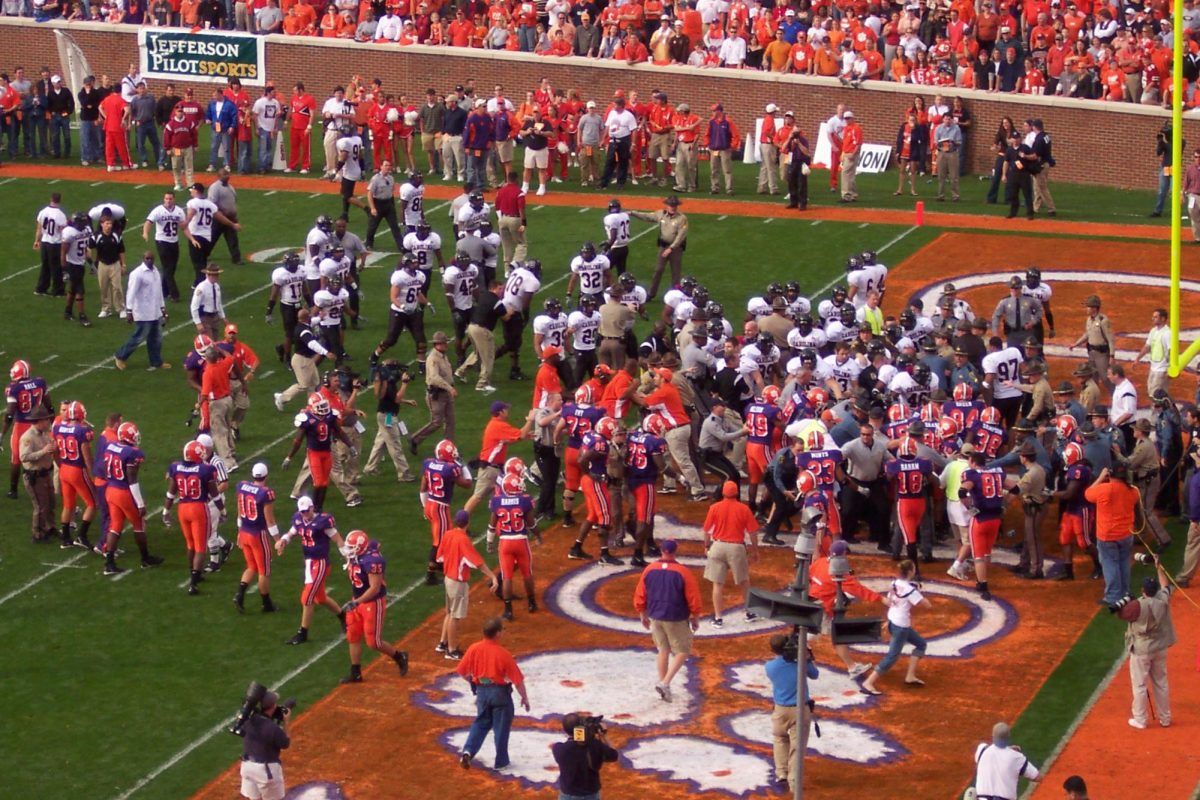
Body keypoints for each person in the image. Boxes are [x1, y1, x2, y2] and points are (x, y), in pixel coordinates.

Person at [456, 616, 531, 772]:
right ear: (497, 634)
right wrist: (524, 697)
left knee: (481, 722)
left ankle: (468, 751)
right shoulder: (503, 654)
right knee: (501, 728)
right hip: (500, 693)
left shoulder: (473, 648)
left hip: (482, 692)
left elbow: (462, 671)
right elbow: (517, 681)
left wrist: (473, 683)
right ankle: (501, 761)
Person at [633, 538, 701, 702]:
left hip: (655, 615)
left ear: (662, 550)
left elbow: (640, 593)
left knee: (663, 650)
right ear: (675, 551)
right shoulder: (682, 571)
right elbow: (693, 596)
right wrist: (695, 616)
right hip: (675, 616)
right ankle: (665, 683)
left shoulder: (649, 569)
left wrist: (642, 613)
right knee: (683, 651)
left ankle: (665, 686)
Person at [339, 530, 410, 683]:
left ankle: (399, 656)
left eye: (352, 547)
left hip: (372, 602)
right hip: (357, 600)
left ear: (361, 548)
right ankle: (355, 673)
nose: (349, 550)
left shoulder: (372, 561)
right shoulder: (358, 554)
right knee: (353, 636)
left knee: (374, 642)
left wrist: (357, 602)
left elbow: (374, 588)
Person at [1114, 553, 1175, 729]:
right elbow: (1166, 585)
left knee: (1140, 685)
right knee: (1161, 683)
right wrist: (1158, 566)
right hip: (1160, 647)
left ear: (1143, 591)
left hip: (1142, 649)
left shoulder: (1137, 606)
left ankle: (1140, 719)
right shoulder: (1163, 599)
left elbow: (1120, 613)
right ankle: (1165, 718)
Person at [860, 559, 930, 695]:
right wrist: (919, 592)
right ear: (910, 571)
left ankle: (910, 676)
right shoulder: (911, 590)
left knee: (921, 644)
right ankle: (869, 682)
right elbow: (927, 605)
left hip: (893, 621)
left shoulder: (895, 583)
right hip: (901, 626)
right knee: (892, 656)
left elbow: (891, 600)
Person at [437, 510, 500, 661]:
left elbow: (439, 557)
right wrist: (493, 576)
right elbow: (477, 562)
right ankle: (451, 651)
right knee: (454, 616)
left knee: (449, 612)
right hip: (457, 582)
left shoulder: (448, 534)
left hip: (448, 579)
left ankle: (442, 644)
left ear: (455, 521)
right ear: (468, 522)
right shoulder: (463, 540)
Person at [764, 633, 819, 795]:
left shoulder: (770, 667)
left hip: (780, 710)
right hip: (800, 710)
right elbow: (815, 674)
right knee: (797, 748)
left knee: (780, 739)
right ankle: (794, 782)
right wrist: (807, 656)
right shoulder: (800, 664)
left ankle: (781, 773)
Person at [702, 480, 760, 627]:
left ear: (723, 493)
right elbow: (753, 532)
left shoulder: (714, 507)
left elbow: (707, 530)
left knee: (718, 584)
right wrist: (755, 550)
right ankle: (749, 612)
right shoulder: (744, 509)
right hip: (736, 548)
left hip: (718, 546)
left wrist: (706, 546)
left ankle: (718, 618)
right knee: (744, 582)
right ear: (737, 493)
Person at [1085, 463, 1142, 605]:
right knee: (1124, 562)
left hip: (1107, 536)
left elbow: (1088, 494)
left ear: (1111, 475)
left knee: (1110, 564)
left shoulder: (1104, 489)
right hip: (1126, 534)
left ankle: (1113, 596)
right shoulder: (1133, 491)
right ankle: (1125, 592)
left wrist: (1100, 478)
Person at [114, 253, 170, 371]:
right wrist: (129, 310)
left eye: (151, 258)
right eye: (147, 258)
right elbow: (131, 292)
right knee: (139, 337)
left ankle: (156, 361)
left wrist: (163, 308)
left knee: (156, 338)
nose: (149, 260)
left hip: (155, 311)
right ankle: (120, 356)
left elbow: (159, 292)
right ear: (143, 259)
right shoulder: (137, 274)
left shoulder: (155, 272)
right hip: (143, 312)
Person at [551, 713, 620, 800]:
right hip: (591, 795)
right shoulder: (595, 745)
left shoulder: (559, 749)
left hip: (568, 796)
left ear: (565, 730)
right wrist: (604, 735)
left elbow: (572, 746)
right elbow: (614, 755)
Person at [631, 196, 688, 301]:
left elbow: (681, 236)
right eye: (671, 205)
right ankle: (651, 293)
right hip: (663, 246)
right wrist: (633, 213)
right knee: (658, 270)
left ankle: (676, 296)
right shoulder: (660, 214)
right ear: (667, 205)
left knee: (676, 272)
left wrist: (671, 248)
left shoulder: (682, 218)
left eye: (674, 205)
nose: (673, 207)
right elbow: (647, 216)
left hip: (676, 248)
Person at [238, 688, 291, 800]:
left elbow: (261, 723)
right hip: (265, 771)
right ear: (273, 706)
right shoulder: (272, 728)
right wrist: (286, 721)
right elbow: (285, 744)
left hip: (247, 767)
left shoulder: (249, 719)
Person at [18, 407, 57, 542]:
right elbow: (24, 457)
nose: (48, 421)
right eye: (46, 419)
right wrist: (43, 451)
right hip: (35, 476)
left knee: (51, 501)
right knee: (41, 506)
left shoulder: (44, 433)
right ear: (39, 421)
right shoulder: (28, 437)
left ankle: (50, 527)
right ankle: (38, 533)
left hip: (45, 473)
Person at [972, 722, 1040, 798]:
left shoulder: (982, 750)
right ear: (1008, 737)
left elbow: (994, 751)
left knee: (972, 791)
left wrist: (1009, 749)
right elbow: (1036, 776)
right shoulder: (1016, 757)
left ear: (993, 736)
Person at [782, 122, 811, 210]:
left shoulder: (803, 140)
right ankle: (793, 202)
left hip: (802, 162)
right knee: (791, 182)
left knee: (802, 183)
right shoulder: (790, 140)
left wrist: (798, 143)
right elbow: (783, 149)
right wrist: (788, 139)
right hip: (793, 162)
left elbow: (806, 152)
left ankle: (802, 203)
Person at [837, 109, 862, 203]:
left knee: (845, 173)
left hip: (851, 154)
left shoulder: (856, 128)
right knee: (850, 175)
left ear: (852, 118)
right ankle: (853, 194)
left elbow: (858, 143)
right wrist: (843, 153)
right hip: (847, 152)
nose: (847, 120)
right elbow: (845, 142)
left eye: (848, 118)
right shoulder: (847, 128)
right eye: (845, 119)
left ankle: (846, 195)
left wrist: (853, 153)